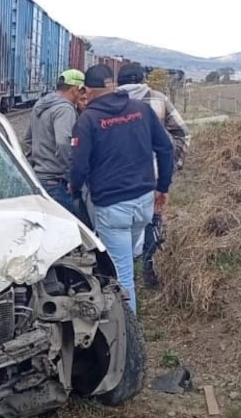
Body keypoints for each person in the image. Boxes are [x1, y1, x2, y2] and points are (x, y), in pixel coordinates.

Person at [69, 64, 174, 315]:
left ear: (88, 90)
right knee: (127, 254)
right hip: (144, 202)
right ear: (112, 86)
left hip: (112, 205)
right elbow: (166, 148)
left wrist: (74, 190)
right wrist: (163, 187)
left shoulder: (88, 120)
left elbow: (79, 166)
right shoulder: (141, 110)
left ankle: (129, 336)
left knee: (121, 274)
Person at [116, 63, 190, 287]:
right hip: (153, 175)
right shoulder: (159, 99)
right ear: (143, 79)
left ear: (118, 82)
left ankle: (116, 275)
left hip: (115, 176)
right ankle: (149, 270)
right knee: (152, 221)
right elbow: (182, 133)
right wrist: (172, 165)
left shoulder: (108, 102)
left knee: (117, 225)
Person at [22, 69, 87, 215]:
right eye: (82, 91)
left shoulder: (41, 104)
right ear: (75, 89)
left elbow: (28, 139)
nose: (84, 96)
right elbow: (64, 143)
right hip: (56, 182)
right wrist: (70, 176)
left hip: (39, 177)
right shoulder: (65, 109)